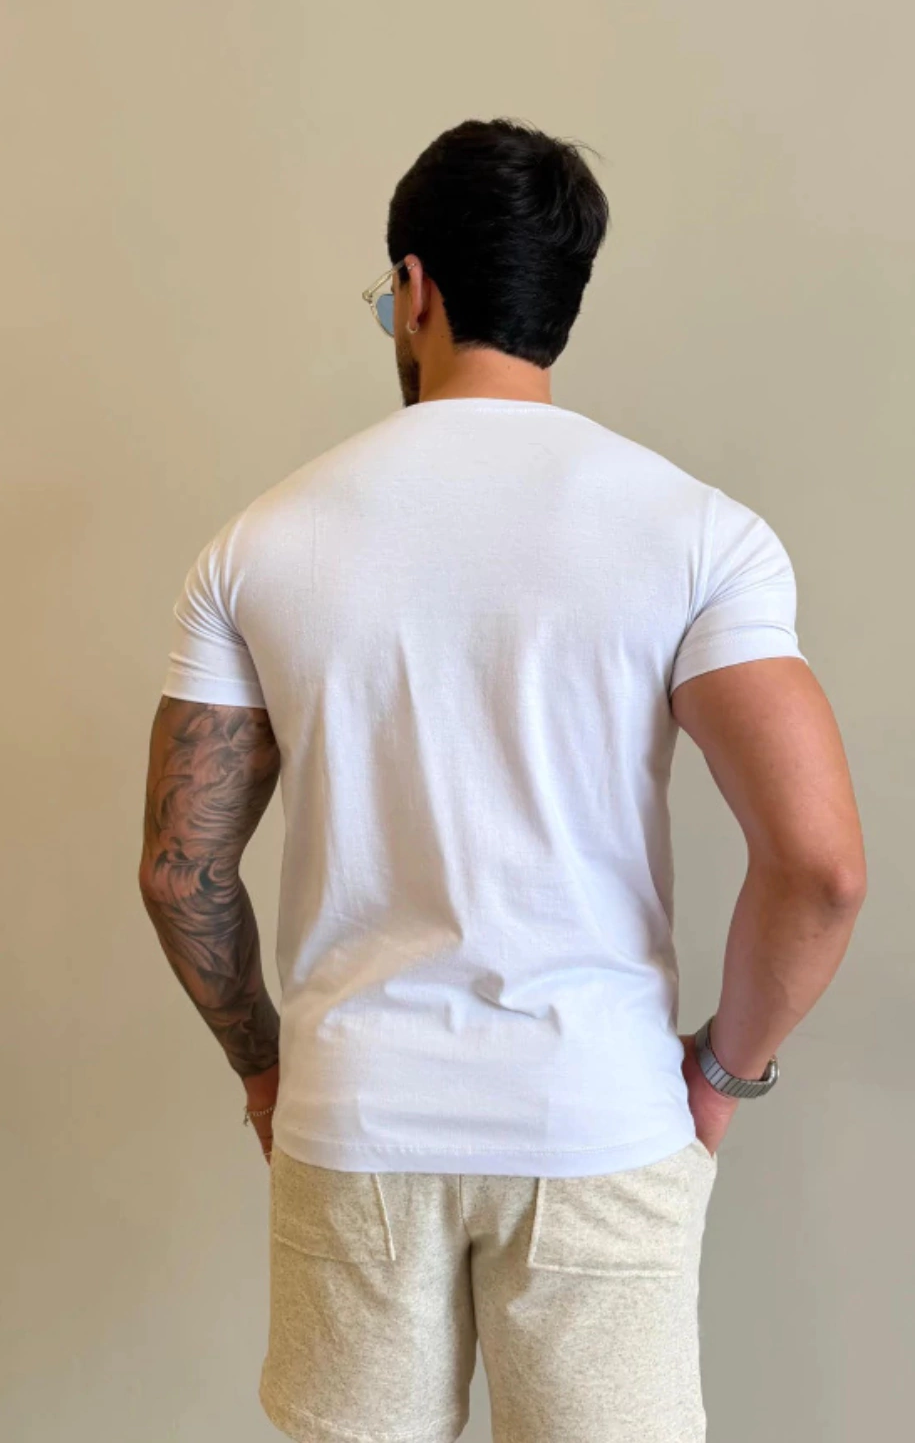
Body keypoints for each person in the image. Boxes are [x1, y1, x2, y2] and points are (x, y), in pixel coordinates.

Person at [138, 117, 867, 1443]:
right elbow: (820, 868)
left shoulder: (260, 543)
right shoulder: (696, 535)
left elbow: (183, 870)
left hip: (355, 1120)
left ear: (413, 289)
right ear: (559, 300)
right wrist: (721, 1075)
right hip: (597, 1117)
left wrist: (268, 1070)